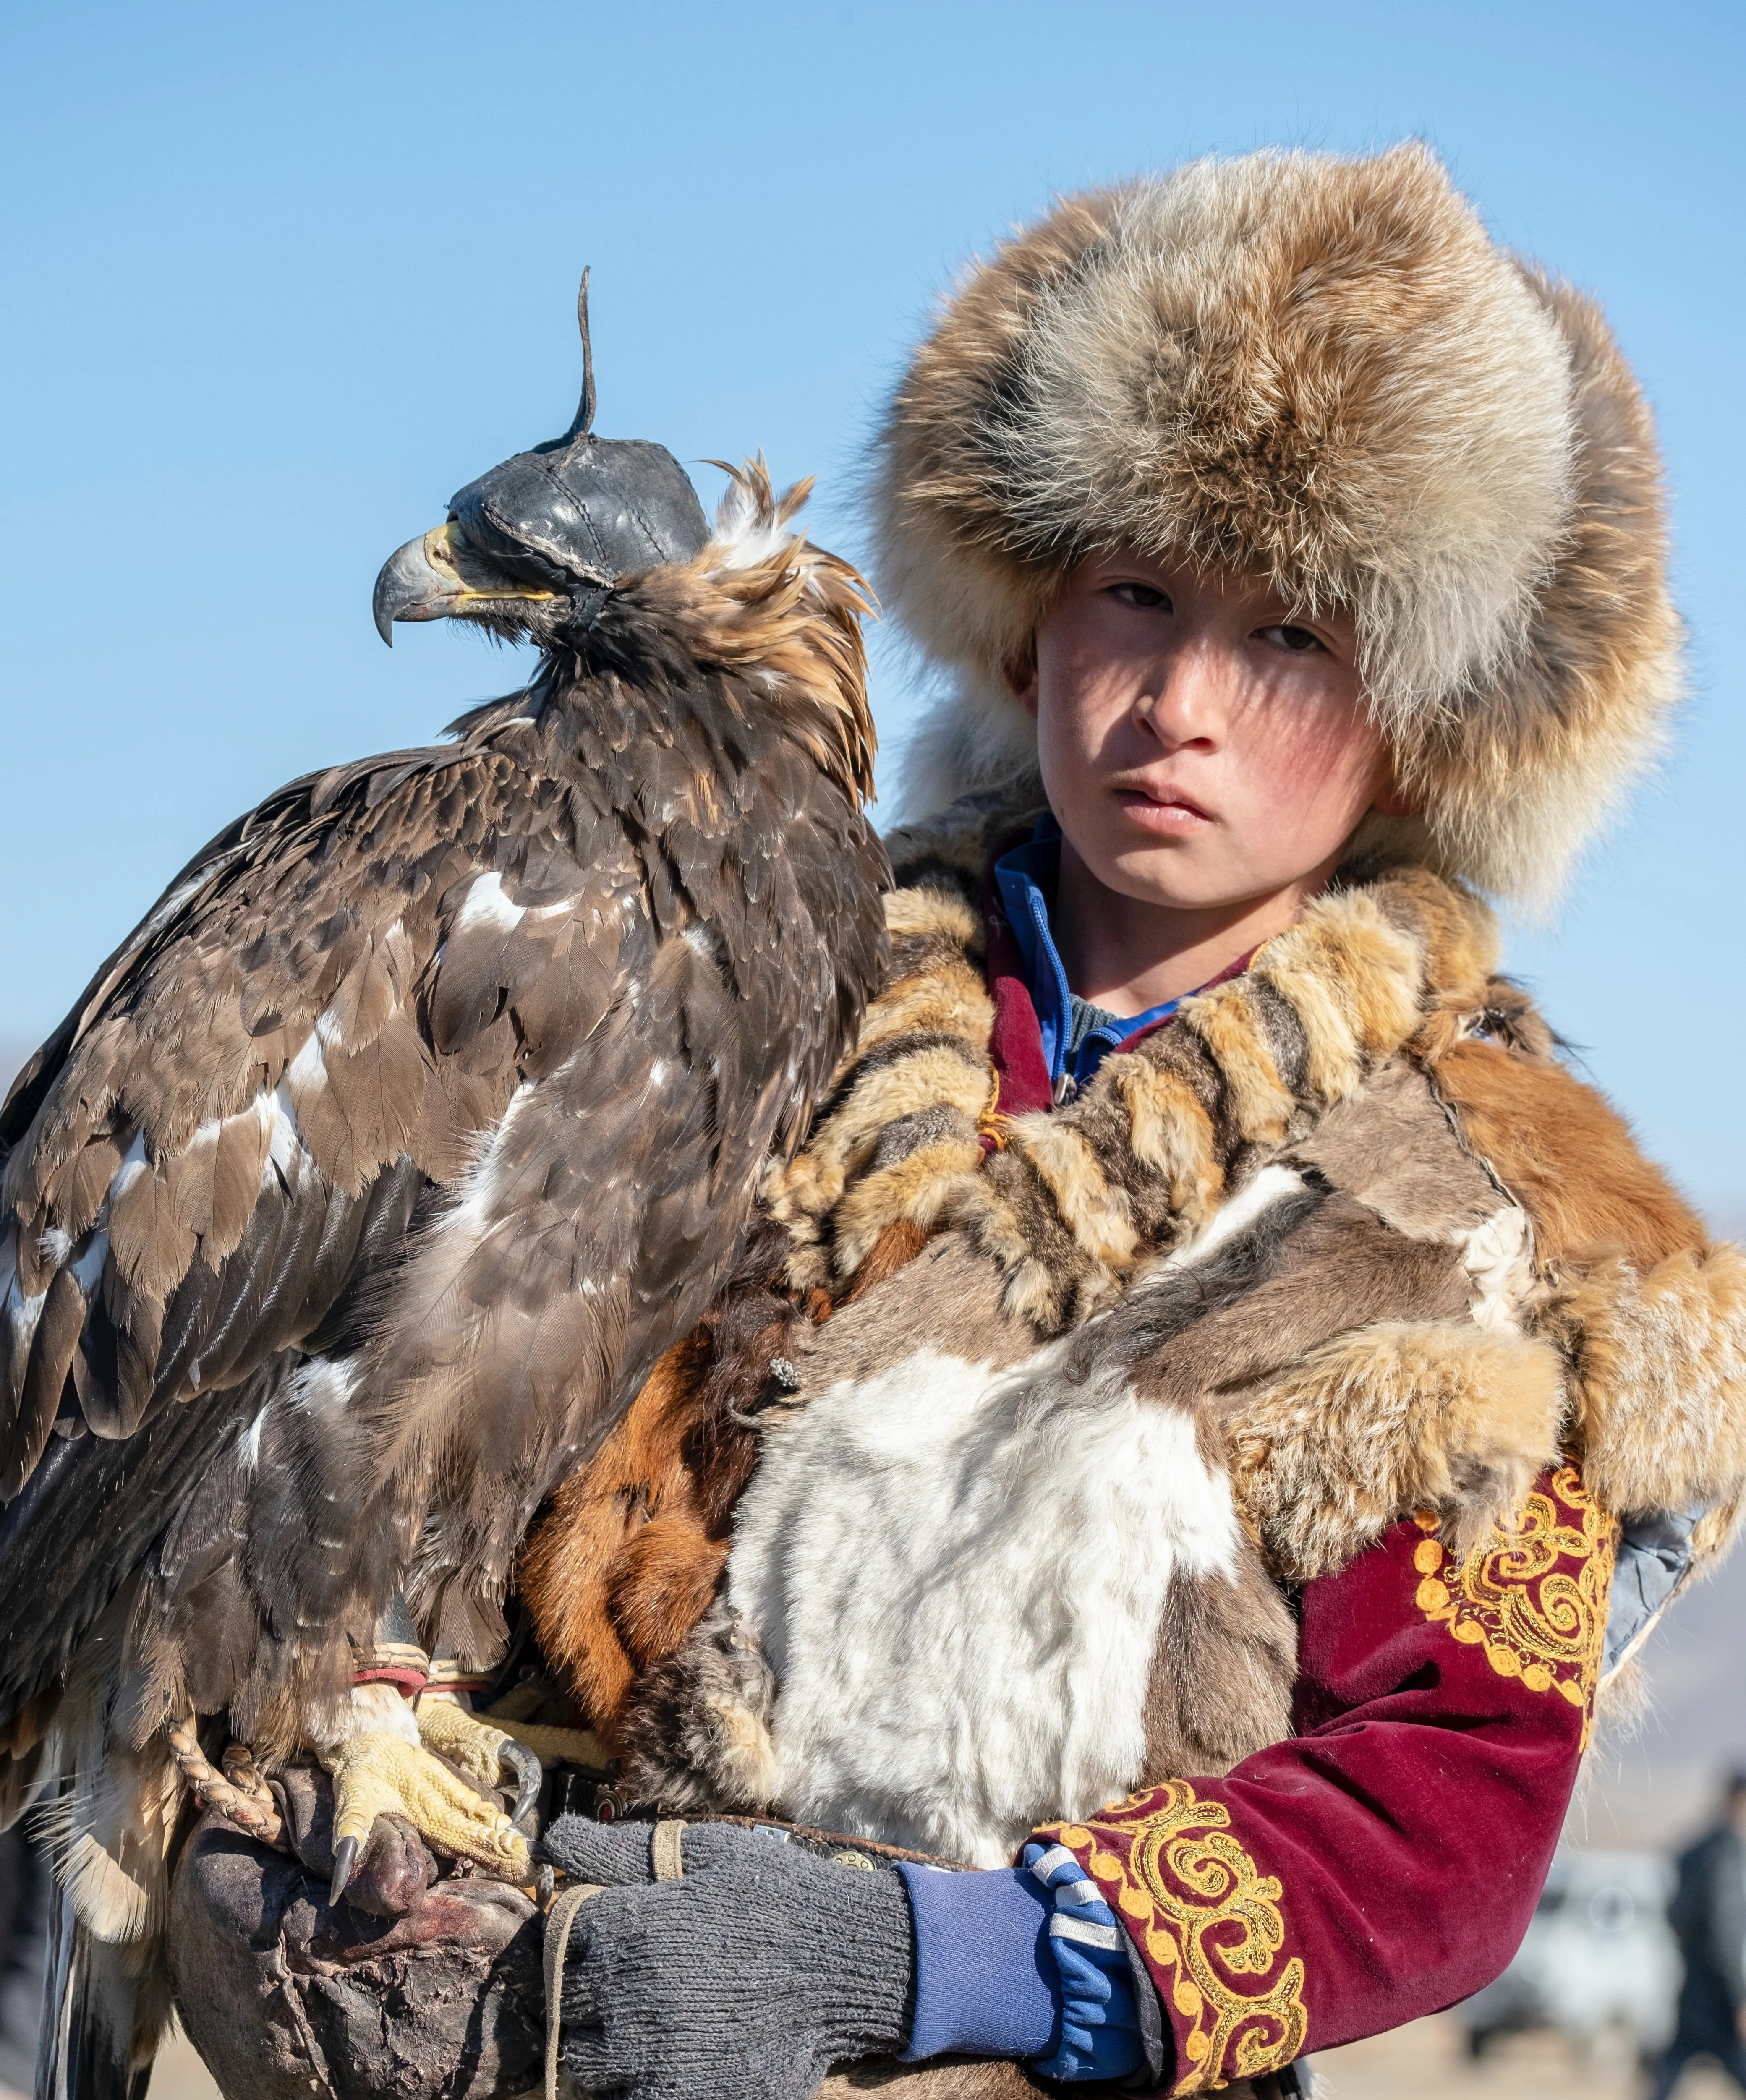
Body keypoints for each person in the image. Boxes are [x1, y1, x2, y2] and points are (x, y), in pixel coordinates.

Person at [165, 142, 1746, 2100]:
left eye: (1290, 639)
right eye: (1135, 596)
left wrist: (924, 1956)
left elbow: (1444, 1819)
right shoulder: (743, 1002)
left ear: (1417, 722)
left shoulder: (1478, 1215)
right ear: (1019, 627)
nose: (1180, 700)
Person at [1654, 1776, 1746, 2097]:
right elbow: (1728, 1928)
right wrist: (1740, 1998)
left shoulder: (1695, 1849)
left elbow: (1673, 1913)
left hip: (1693, 1982)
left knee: (1673, 2068)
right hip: (1717, 1989)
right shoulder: (1728, 1853)